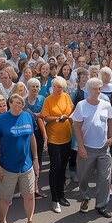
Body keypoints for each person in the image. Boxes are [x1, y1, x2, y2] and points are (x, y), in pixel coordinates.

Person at [0, 93, 41, 223]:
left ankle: (30, 221)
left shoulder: (27, 116)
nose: (18, 105)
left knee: (29, 196)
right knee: (5, 198)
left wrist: (36, 158)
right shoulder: (2, 119)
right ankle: (2, 222)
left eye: (21, 103)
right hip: (7, 167)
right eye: (15, 102)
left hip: (26, 166)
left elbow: (32, 138)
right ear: (10, 103)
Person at [71, 77, 112, 218]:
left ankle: (102, 205)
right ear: (88, 90)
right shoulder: (81, 105)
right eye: (94, 89)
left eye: (99, 88)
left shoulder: (106, 104)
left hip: (103, 149)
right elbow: (76, 127)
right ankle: (85, 197)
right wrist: (81, 147)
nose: (97, 91)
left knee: (105, 178)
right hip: (87, 148)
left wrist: (111, 137)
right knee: (83, 176)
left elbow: (111, 120)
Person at [40, 76, 74, 213]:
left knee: (63, 167)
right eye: (56, 87)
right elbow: (45, 117)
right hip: (53, 138)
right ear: (52, 86)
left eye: (61, 87)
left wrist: (69, 116)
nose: (59, 89)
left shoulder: (66, 96)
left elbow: (71, 108)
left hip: (67, 136)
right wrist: (58, 118)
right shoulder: (48, 100)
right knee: (55, 167)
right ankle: (54, 199)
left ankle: (61, 195)